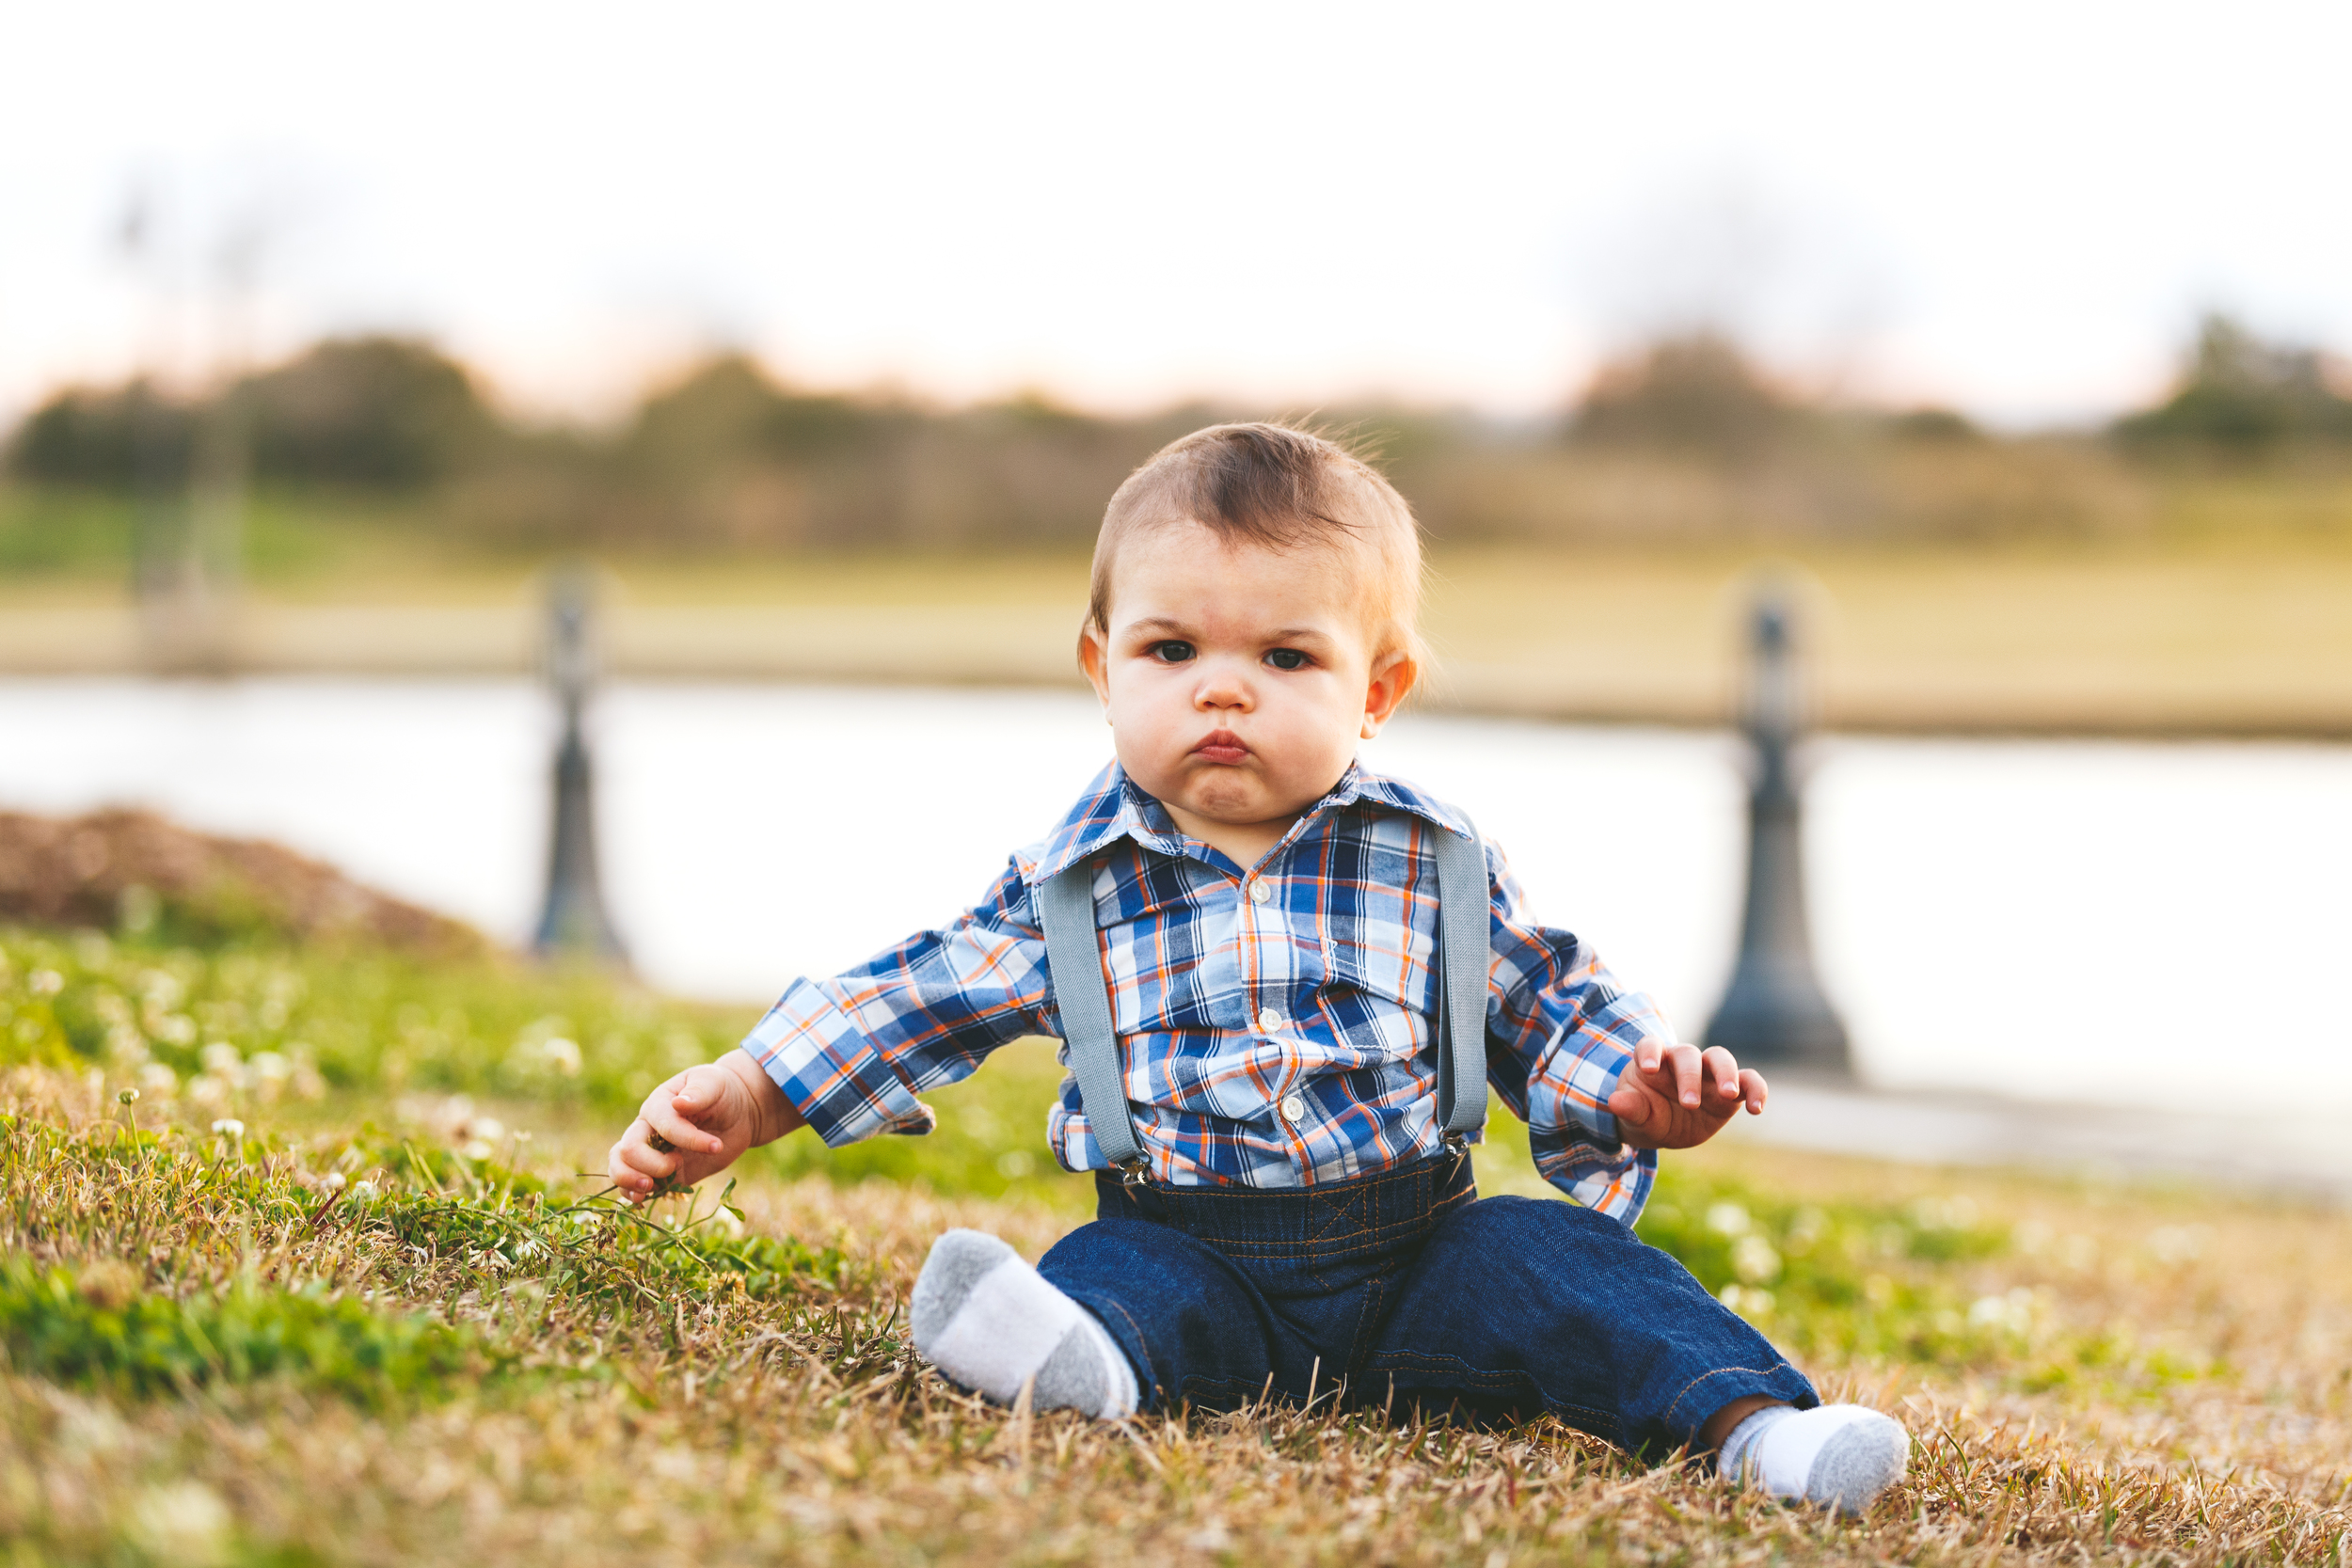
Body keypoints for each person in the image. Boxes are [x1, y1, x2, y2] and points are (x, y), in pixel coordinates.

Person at [606, 424, 1909, 1513]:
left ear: (1376, 691)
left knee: (1566, 1267)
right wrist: (752, 1090)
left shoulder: (1430, 861)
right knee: (1114, 1282)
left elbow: (1543, 992)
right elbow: (911, 996)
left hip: (1422, 1251)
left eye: (1286, 659)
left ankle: (1763, 1435)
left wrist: (1635, 1084)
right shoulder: (1073, 886)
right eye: (1172, 652)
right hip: (1193, 1248)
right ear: (1100, 670)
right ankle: (1082, 1365)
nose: (1222, 694)